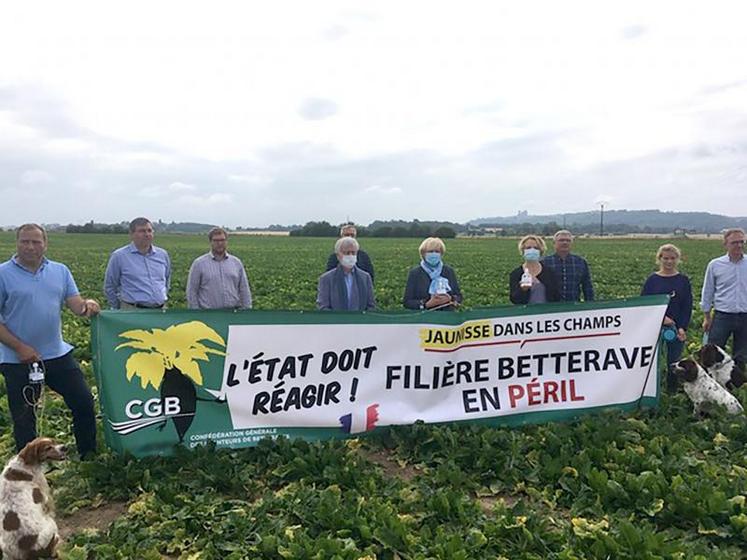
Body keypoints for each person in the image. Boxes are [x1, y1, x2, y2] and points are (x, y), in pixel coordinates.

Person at [0, 224, 100, 457]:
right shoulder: (3, 274)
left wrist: (88, 305)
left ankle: (88, 456)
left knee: (83, 402)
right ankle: (29, 467)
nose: (30, 247)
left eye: (36, 241)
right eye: (25, 241)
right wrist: (19, 347)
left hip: (57, 354)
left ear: (45, 243)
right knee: (25, 416)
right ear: (17, 243)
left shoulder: (60, 271)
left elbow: (75, 304)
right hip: (18, 359)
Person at [641, 244, 693, 392]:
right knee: (651, 362)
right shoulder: (652, 280)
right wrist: (661, 318)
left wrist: (682, 327)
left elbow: (686, 306)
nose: (669, 262)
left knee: (674, 362)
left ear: (678, 259)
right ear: (659, 259)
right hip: (654, 327)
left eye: (672, 258)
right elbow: (644, 304)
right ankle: (650, 392)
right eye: (665, 258)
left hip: (676, 328)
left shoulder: (683, 280)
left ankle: (671, 391)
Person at [701, 228, 747, 363]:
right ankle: (712, 383)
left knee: (742, 355)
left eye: (741, 242)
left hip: (745, 316)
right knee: (713, 353)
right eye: (734, 242)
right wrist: (707, 316)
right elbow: (708, 291)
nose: (739, 245)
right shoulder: (715, 265)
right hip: (723, 316)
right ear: (725, 244)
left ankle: (736, 383)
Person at [104, 217, 171, 309]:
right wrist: (118, 309)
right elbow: (110, 286)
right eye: (142, 231)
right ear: (131, 234)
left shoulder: (162, 255)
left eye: (149, 231)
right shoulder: (119, 256)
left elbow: (166, 281)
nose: (147, 234)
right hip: (132, 311)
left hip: (160, 310)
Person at [186, 227, 252, 309]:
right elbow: (191, 291)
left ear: (226, 241)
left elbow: (244, 289)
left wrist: (247, 309)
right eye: (216, 240)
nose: (220, 243)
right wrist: (196, 312)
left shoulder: (236, 263)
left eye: (222, 240)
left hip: (233, 312)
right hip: (208, 314)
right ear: (210, 242)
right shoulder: (199, 264)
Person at [403, 237, 462, 311]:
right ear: (423, 253)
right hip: (424, 318)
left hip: (446, 316)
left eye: (437, 251)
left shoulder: (448, 271)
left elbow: (459, 296)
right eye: (430, 251)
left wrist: (451, 299)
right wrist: (427, 304)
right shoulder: (415, 273)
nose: (434, 254)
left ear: (441, 254)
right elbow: (407, 302)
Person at [317, 237, 375, 310]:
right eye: (347, 253)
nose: (350, 256)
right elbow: (323, 307)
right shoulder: (326, 279)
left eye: (353, 253)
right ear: (338, 256)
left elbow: (371, 305)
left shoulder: (365, 277)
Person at [542, 230, 594, 302]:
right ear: (554, 243)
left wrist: (590, 304)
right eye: (561, 240)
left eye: (568, 240)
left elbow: (587, 286)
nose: (565, 243)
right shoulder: (544, 262)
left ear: (572, 243)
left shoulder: (580, 262)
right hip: (551, 306)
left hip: (573, 305)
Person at [509, 235, 561, 304]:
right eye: (528, 248)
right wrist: (522, 290)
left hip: (547, 312)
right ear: (523, 250)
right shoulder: (516, 274)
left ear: (541, 251)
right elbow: (514, 299)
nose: (532, 250)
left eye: (536, 248)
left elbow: (557, 297)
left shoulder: (550, 273)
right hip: (526, 313)